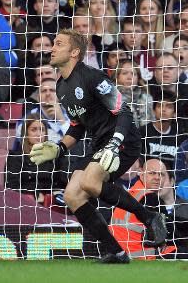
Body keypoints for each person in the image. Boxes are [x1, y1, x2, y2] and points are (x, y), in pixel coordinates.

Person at [29, 28, 167, 263]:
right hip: (99, 143)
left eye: (59, 44)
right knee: (72, 195)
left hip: (123, 139)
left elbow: (123, 111)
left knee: (90, 182)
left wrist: (115, 144)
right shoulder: (61, 86)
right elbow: (77, 126)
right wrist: (59, 147)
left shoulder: (93, 77)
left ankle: (150, 217)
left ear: (74, 52)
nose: (52, 48)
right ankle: (117, 252)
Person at [110, 158, 180, 259]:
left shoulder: (133, 192)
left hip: (122, 252)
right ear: (142, 175)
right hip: (138, 254)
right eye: (152, 173)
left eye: (161, 174)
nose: (157, 177)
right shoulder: (149, 197)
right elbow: (170, 232)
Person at [5, 114, 69, 204]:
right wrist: (35, 194)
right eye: (33, 130)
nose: (39, 134)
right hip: (24, 202)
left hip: (52, 201)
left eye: (42, 130)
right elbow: (11, 187)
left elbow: (61, 182)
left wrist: (55, 193)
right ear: (26, 133)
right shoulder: (15, 158)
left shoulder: (54, 157)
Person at [141, 96, 186, 169]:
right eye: (159, 106)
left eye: (169, 107)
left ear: (175, 114)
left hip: (173, 178)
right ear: (154, 111)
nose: (163, 109)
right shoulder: (142, 132)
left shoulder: (180, 137)